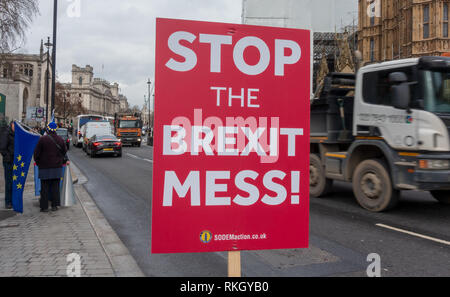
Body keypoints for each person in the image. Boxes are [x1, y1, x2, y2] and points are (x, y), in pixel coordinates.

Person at [34, 121, 68, 212]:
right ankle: (54, 205)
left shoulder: (42, 139)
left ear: (48, 129)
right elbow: (64, 151)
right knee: (55, 187)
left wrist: (38, 163)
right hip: (56, 167)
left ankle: (44, 207)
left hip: (44, 167)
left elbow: (36, 153)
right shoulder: (60, 139)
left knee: (44, 187)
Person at [0, 121, 15, 209]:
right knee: (9, 182)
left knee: (14, 182)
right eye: (14, 126)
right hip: (8, 161)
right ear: (11, 125)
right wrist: (8, 156)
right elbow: (2, 148)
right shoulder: (6, 134)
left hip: (15, 161)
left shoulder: (16, 134)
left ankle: (13, 200)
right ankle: (8, 201)